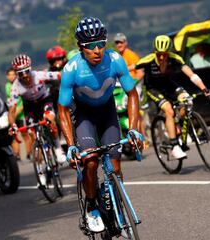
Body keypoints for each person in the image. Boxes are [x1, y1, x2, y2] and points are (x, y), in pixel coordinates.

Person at [58, 17, 142, 233]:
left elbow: (131, 94)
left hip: (107, 112)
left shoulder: (115, 60)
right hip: (84, 115)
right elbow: (63, 110)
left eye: (101, 44)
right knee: (91, 161)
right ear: (80, 47)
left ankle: (118, 210)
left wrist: (133, 128)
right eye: (90, 46)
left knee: (115, 165)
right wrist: (70, 146)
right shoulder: (71, 69)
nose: (97, 50)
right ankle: (92, 206)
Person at [136, 35, 210, 159]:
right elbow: (129, 69)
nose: (161, 57)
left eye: (164, 54)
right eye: (158, 54)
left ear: (169, 53)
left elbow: (191, 75)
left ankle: (179, 127)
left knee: (187, 101)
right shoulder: (148, 60)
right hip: (153, 89)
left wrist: (204, 88)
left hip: (169, 86)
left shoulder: (175, 58)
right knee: (169, 110)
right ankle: (175, 146)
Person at [8, 54, 66, 165]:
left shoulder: (39, 75)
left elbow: (60, 75)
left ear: (31, 69)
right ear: (16, 74)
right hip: (30, 108)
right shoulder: (16, 86)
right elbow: (11, 110)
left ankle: (58, 149)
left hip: (44, 101)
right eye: (20, 73)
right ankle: (41, 171)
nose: (25, 75)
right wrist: (13, 125)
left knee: (50, 119)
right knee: (33, 136)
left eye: (27, 71)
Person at [114, 32, 149, 148]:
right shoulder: (117, 57)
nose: (119, 44)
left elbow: (140, 73)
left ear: (125, 43)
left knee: (135, 112)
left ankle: (142, 138)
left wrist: (133, 83)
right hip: (121, 87)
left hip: (135, 86)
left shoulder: (131, 55)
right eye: (117, 42)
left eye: (121, 42)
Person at [5, 68, 30, 159]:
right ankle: (15, 154)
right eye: (9, 75)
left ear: (16, 75)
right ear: (7, 76)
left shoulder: (20, 83)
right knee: (14, 134)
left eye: (13, 74)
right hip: (13, 113)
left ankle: (28, 153)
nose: (11, 77)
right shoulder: (7, 86)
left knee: (25, 134)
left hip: (21, 114)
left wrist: (18, 111)